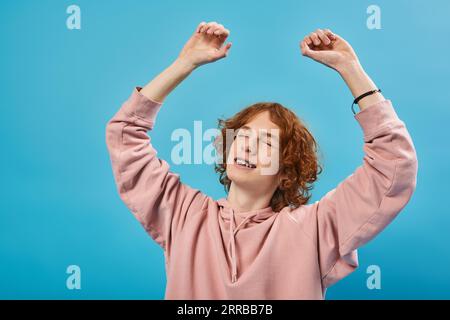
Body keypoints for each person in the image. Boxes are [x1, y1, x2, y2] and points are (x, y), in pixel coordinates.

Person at [105, 21, 418, 299]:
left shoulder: (315, 229)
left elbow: (393, 167)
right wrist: (183, 64)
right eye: (242, 136)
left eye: (267, 142)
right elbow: (125, 134)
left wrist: (351, 68)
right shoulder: (183, 215)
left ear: (285, 173)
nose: (248, 147)